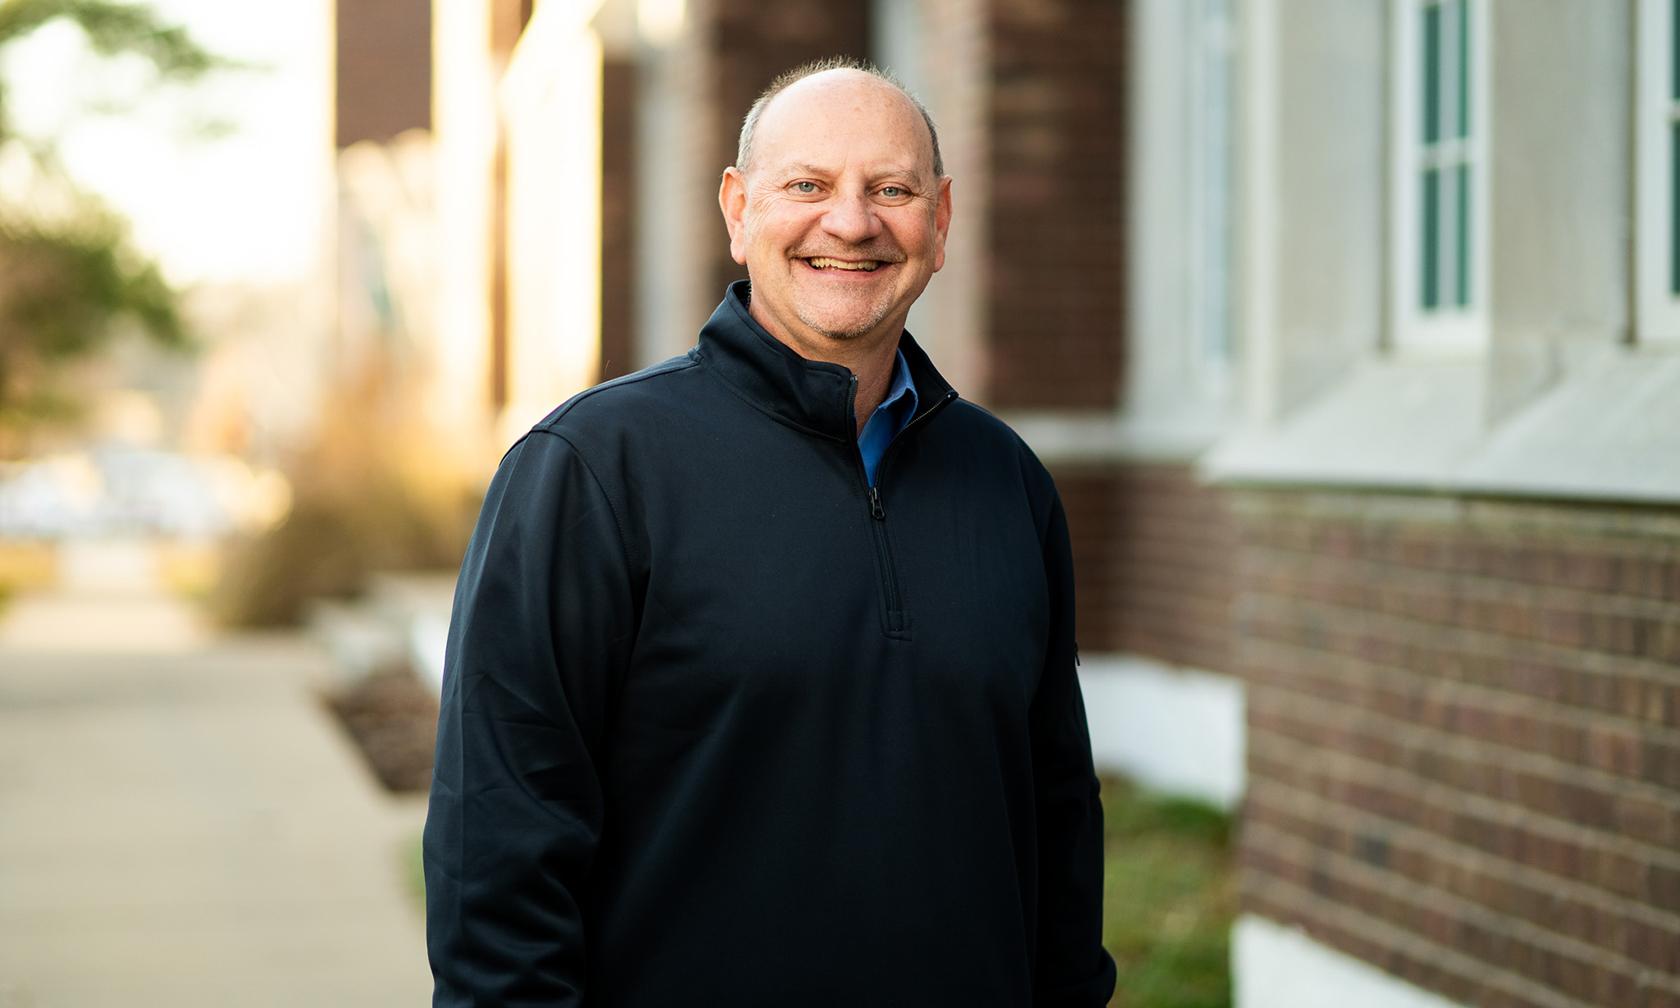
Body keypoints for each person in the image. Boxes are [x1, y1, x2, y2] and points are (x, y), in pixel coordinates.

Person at [423, 58, 1117, 1007]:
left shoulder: (1006, 484)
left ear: (942, 221)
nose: (852, 222)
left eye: (892, 189)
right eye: (807, 186)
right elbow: (498, 842)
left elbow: (1059, 823)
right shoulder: (592, 469)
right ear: (738, 211)